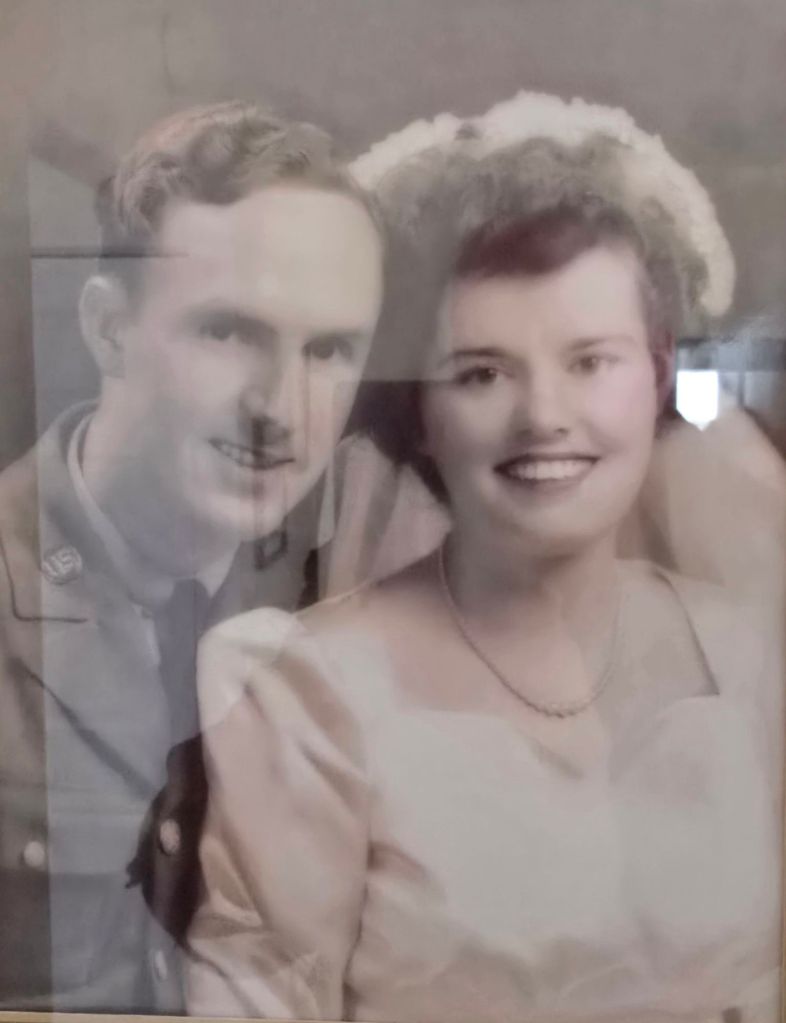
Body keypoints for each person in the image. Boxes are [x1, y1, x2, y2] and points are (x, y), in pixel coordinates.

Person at [186, 95, 783, 1022]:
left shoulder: (746, 654)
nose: (543, 416)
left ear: (660, 370)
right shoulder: (305, 693)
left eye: (591, 361)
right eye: (481, 373)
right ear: (418, 409)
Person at [0, 100, 383, 1013]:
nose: (281, 408)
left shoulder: (344, 599)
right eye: (227, 331)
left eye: (330, 350)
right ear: (109, 330)